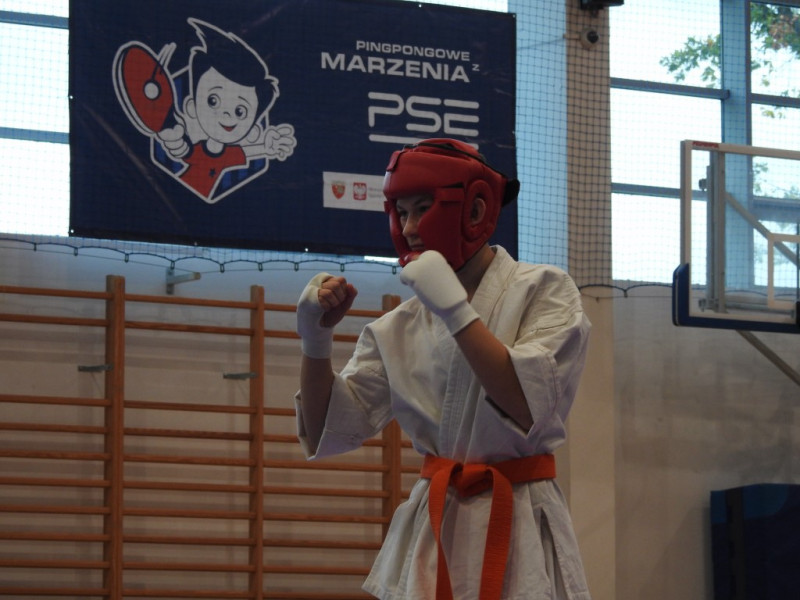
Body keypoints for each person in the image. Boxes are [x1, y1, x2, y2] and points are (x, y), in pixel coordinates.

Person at [294, 138, 592, 600]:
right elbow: (325, 433)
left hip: (520, 522)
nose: (409, 228)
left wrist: (455, 312)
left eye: (422, 209)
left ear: (474, 211)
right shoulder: (399, 326)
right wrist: (315, 342)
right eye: (401, 213)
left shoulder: (545, 290)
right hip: (435, 528)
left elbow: (526, 403)